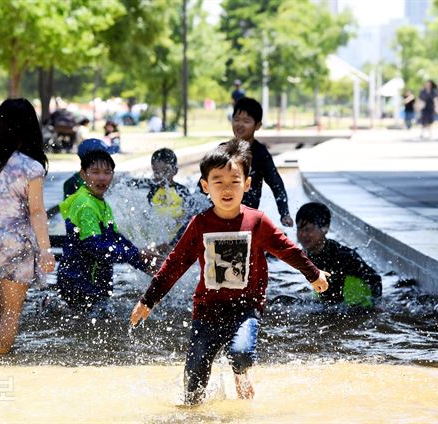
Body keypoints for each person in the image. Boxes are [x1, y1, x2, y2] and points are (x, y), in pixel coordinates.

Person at [130, 139, 330, 405]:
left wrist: (313, 273)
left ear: (247, 185)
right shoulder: (200, 224)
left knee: (241, 353)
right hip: (207, 309)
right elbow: (175, 264)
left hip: (245, 307)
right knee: (194, 380)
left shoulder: (256, 221)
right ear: (205, 186)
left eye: (234, 181)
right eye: (218, 182)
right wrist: (149, 300)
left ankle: (242, 375)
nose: (227, 189)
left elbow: (287, 249)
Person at [0, 98, 55, 356]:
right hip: (15, 240)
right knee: (12, 308)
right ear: (31, 127)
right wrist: (46, 250)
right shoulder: (32, 166)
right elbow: (37, 212)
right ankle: (0, 359)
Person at [57, 148, 159, 309]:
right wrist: (136, 254)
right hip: (80, 282)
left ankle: (52, 307)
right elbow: (95, 247)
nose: (102, 178)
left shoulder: (100, 202)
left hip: (94, 280)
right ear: (83, 174)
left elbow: (115, 238)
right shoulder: (86, 205)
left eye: (107, 172)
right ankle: (51, 307)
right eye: (95, 172)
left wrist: (142, 262)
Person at [296, 202, 382, 308]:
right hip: (330, 302)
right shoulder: (307, 255)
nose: (303, 234)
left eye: (308, 229)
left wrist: (376, 305)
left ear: (325, 228)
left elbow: (374, 278)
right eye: (299, 229)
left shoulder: (343, 256)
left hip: (355, 305)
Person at [232, 97, 294, 227]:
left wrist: (284, 213)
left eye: (246, 121)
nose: (239, 124)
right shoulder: (223, 150)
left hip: (247, 218)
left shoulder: (260, 154)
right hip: (222, 214)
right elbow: (204, 181)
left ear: (258, 125)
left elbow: (276, 183)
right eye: (236, 120)